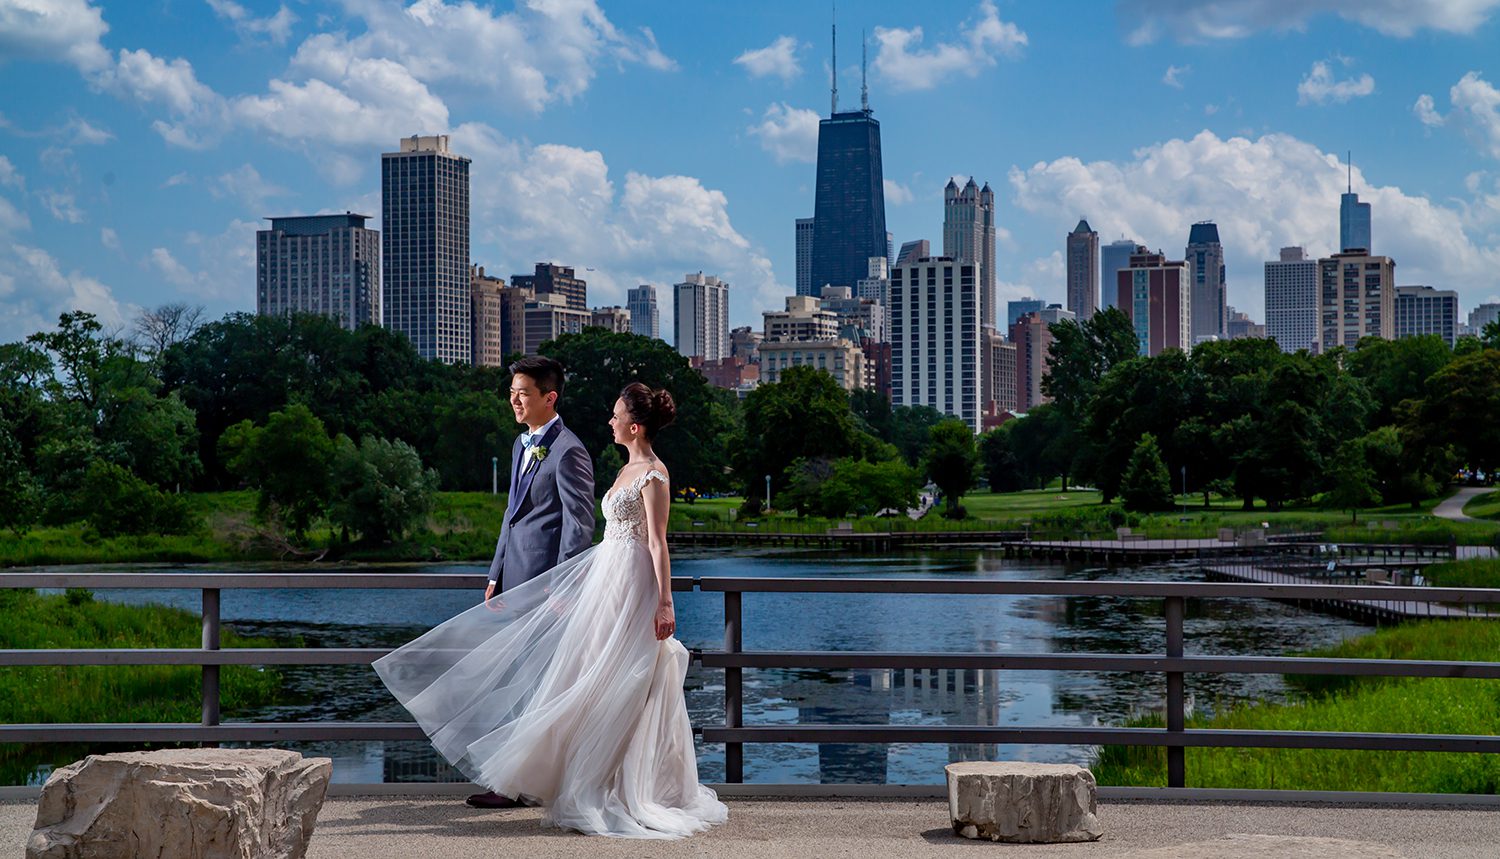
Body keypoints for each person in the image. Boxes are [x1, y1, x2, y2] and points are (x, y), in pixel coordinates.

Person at [373, 381, 728, 839]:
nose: (610, 421)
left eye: (616, 416)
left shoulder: (654, 474)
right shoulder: (624, 470)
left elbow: (658, 543)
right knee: (585, 673)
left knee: (623, 676)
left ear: (634, 426)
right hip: (606, 578)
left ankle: (621, 784)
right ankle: (567, 776)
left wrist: (664, 601)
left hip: (633, 582)